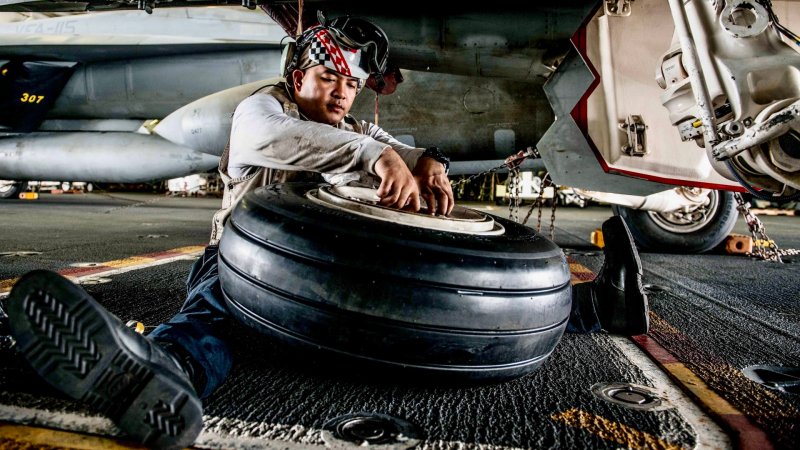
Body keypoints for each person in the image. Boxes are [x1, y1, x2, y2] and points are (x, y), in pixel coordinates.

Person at [3, 15, 647, 450]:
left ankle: (599, 305)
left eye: (351, 82)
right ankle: (161, 373)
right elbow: (281, 142)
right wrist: (376, 158)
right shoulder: (263, 108)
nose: (342, 92)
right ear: (296, 75)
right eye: (329, 77)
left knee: (468, 300)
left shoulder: (358, 130)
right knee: (218, 321)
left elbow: (395, 145)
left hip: (332, 279)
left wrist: (430, 162)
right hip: (245, 266)